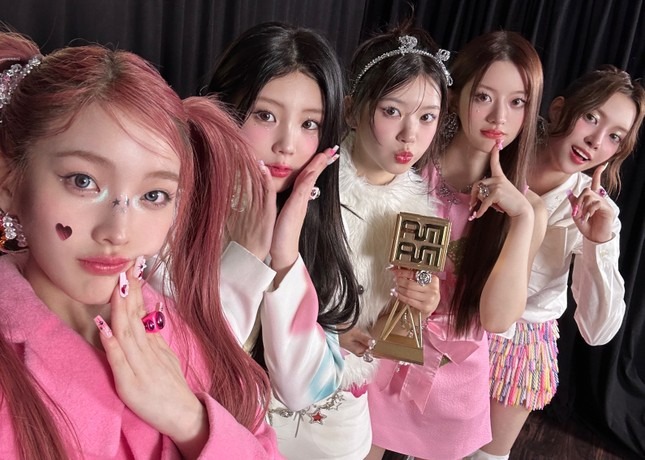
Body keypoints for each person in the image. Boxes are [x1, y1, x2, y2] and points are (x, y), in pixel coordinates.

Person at [0, 31, 279, 459]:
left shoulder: (188, 332)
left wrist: (190, 420)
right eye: (83, 181)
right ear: (9, 183)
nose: (119, 231)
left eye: (154, 195)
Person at [366, 30, 547, 460]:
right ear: (456, 95)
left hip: (454, 378)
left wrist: (521, 220)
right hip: (383, 353)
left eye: (517, 102)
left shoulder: (528, 211)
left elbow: (497, 319)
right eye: (484, 97)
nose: (499, 117)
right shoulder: (409, 173)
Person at [205, 22, 361, 458]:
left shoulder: (310, 227)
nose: (287, 145)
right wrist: (246, 258)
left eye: (310, 123)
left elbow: (302, 390)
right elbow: (189, 368)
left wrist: (284, 256)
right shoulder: (170, 213)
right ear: (224, 109)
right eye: (265, 115)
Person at [474, 66, 645, 460]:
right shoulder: (500, 154)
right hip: (456, 317)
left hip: (519, 342)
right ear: (558, 109)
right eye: (591, 117)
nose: (595, 141)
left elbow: (598, 331)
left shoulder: (596, 213)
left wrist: (598, 243)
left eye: (615, 137)